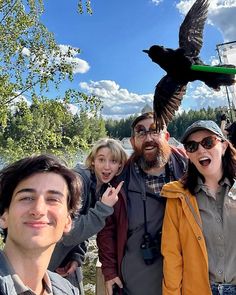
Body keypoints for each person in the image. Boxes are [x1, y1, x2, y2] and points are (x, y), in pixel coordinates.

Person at [97, 112, 187, 295]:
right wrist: (109, 270)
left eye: (155, 131)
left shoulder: (188, 167)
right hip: (137, 281)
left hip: (186, 279)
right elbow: (106, 230)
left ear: (166, 137)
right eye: (141, 132)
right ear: (132, 142)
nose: (148, 137)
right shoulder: (119, 180)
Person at [161, 120, 236, 295]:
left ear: (224, 146)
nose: (201, 150)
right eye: (192, 146)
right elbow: (172, 256)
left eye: (208, 142)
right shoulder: (177, 197)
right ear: (188, 154)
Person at [49, 138, 127, 293]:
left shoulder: (99, 187)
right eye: (101, 159)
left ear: (120, 166)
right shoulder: (77, 183)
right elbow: (67, 233)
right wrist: (103, 208)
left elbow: (81, 228)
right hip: (45, 264)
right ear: (92, 162)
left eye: (113, 161)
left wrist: (76, 255)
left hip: (62, 263)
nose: (106, 166)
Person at [0, 154, 81, 294]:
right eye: (26, 198)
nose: (38, 210)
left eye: (53, 199)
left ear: (68, 221)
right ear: (3, 216)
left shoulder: (68, 291)